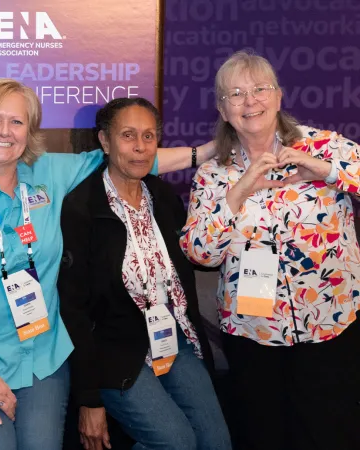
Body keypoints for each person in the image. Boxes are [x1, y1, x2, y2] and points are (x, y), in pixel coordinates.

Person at [0, 78, 215, 450]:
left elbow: (131, 159)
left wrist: (208, 151)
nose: (5, 132)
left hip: (41, 350)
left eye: (18, 122)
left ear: (30, 131)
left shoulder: (45, 173)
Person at [180, 50, 360, 450]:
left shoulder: (324, 147)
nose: (250, 101)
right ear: (223, 110)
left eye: (260, 89)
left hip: (330, 323)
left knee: (331, 432)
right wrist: (239, 191)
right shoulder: (214, 174)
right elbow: (199, 253)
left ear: (278, 96)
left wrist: (328, 171)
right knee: (264, 435)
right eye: (236, 94)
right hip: (253, 331)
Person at [58, 97, 231, 450]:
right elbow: (73, 309)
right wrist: (89, 398)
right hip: (115, 352)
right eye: (128, 135)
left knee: (216, 442)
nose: (140, 147)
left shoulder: (164, 197)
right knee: (177, 442)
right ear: (104, 142)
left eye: (149, 136)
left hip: (174, 340)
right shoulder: (81, 208)